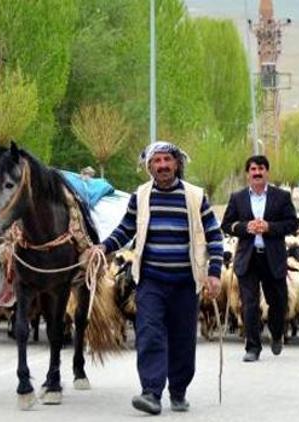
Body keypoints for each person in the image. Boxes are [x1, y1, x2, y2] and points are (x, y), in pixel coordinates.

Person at [93, 141, 223, 415]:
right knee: (149, 334)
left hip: (186, 282)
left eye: (167, 160)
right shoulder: (140, 196)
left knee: (182, 338)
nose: (162, 166)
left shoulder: (195, 196)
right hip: (151, 280)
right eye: (157, 161)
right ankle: (151, 392)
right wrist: (104, 246)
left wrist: (214, 274)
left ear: (177, 163)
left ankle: (178, 391)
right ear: (149, 166)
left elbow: (214, 235)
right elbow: (126, 228)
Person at [221, 155, 299, 362]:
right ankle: (252, 347)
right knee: (249, 303)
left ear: (267, 172)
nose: (257, 173)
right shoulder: (237, 198)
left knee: (278, 302)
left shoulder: (281, 197)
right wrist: (245, 227)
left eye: (261, 169)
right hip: (248, 258)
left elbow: (292, 223)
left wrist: (269, 227)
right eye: (253, 169)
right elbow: (226, 225)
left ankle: (276, 332)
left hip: (273, 258)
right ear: (248, 174)